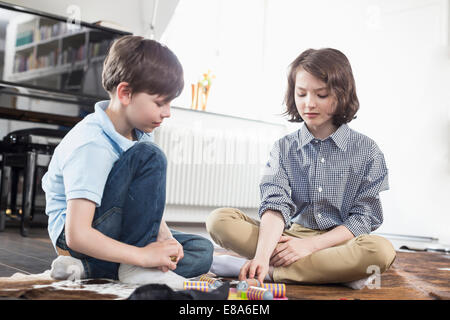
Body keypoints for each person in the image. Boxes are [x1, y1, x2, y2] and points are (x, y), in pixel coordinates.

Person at [206, 48, 396, 289]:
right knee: (219, 220)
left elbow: (364, 218)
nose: (309, 104)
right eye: (302, 93)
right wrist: (263, 255)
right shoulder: (283, 148)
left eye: (322, 95)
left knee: (380, 251)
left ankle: (275, 273)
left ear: (342, 94)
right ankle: (329, 272)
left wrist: (308, 247)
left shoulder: (367, 150)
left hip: (339, 244)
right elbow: (275, 204)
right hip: (286, 239)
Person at [42, 35, 214, 282]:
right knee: (150, 156)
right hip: (78, 236)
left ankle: (89, 270)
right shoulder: (91, 143)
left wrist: (164, 237)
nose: (167, 113)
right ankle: (134, 267)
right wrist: (144, 256)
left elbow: (146, 204)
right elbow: (77, 234)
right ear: (125, 93)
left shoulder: (141, 134)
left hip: (117, 226)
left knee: (201, 251)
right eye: (160, 103)